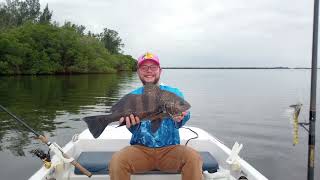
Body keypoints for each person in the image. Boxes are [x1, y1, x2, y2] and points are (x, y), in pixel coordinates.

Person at [109, 52, 203, 180]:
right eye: (144, 67)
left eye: (153, 67)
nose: (149, 71)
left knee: (193, 158)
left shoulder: (174, 93)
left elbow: (185, 113)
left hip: (170, 151)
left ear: (160, 70)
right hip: (140, 151)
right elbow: (133, 128)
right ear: (138, 72)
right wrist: (130, 124)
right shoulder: (133, 96)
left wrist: (180, 118)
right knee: (117, 160)